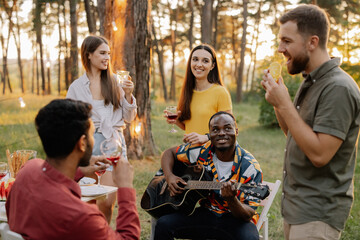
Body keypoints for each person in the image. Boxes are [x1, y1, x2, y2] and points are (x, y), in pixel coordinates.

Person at [261, 5, 360, 240]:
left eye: (286, 41)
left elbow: (319, 155)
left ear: (312, 42)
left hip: (318, 215)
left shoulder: (338, 88)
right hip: (297, 209)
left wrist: (284, 104)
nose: (279, 49)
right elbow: (295, 135)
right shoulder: (311, 82)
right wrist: (278, 101)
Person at [6, 99, 140, 240]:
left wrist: (81, 170)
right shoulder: (82, 217)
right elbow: (128, 237)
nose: (93, 140)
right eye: (92, 134)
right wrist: (126, 188)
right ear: (82, 143)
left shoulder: (27, 170)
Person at [155, 111, 263, 240]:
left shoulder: (250, 167)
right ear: (209, 135)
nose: (222, 133)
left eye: (228, 128)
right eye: (215, 130)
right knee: (163, 224)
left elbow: (248, 214)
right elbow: (169, 153)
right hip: (206, 213)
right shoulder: (202, 152)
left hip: (237, 221)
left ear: (236, 131)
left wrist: (231, 200)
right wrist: (170, 177)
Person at [66, 35, 137, 222]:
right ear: (88, 55)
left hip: (113, 144)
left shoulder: (115, 82)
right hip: (88, 145)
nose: (107, 57)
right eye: (102, 53)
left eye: (108, 53)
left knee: (105, 201)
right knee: (88, 200)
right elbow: (70, 121)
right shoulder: (76, 87)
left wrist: (129, 96)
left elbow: (129, 118)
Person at [165, 44, 232, 144]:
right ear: (190, 62)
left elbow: (230, 130)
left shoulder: (220, 92)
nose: (199, 64)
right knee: (166, 155)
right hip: (191, 151)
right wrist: (176, 120)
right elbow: (187, 126)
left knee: (168, 154)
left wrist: (206, 137)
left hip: (212, 152)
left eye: (205, 61)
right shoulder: (187, 92)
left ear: (212, 66)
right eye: (195, 59)